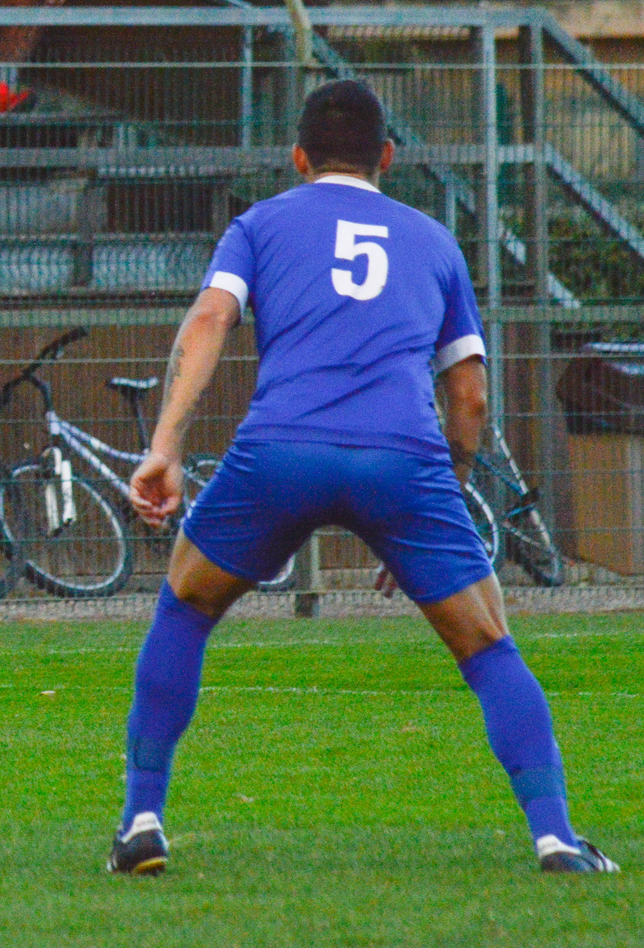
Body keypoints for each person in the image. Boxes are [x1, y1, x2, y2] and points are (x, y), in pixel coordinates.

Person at [111, 80, 620, 877]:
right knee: (488, 643)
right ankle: (555, 836)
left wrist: (166, 445)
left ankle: (142, 820)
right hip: (402, 459)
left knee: (185, 603)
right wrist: (437, 495)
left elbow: (210, 318)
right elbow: (471, 396)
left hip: (281, 451)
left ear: (298, 158)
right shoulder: (433, 241)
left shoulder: (262, 222)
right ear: (387, 158)